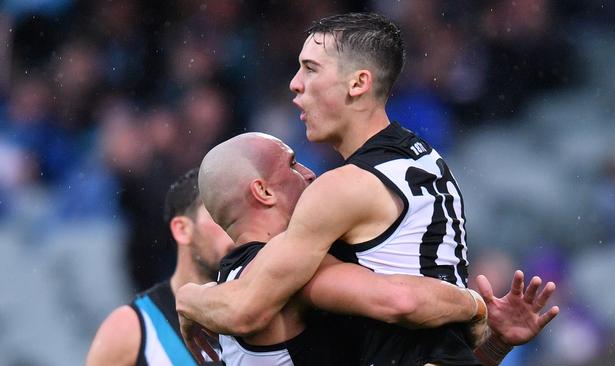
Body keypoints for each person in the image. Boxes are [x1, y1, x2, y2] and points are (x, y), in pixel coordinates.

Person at [177, 12, 559, 365]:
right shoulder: (427, 162)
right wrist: (482, 322)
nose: (295, 84)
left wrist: (189, 296)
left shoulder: (341, 190)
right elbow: (428, 335)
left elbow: (248, 307)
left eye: (310, 69)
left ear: (359, 83)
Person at [178, 133, 489, 365]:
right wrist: (474, 306)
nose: (309, 173)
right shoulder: (288, 277)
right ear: (263, 191)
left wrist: (496, 345)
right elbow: (401, 300)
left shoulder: (231, 281)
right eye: (292, 164)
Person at [86, 168, 234, 366]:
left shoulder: (266, 309)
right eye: (219, 214)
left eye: (238, 215)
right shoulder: (132, 328)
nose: (234, 227)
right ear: (182, 230)